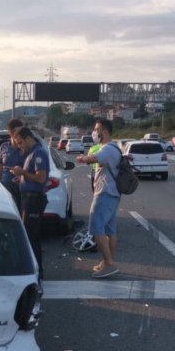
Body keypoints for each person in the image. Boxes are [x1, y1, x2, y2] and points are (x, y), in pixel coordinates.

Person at [75, 119, 122, 278]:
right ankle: (107, 261)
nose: (94, 132)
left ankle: (109, 264)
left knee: (95, 227)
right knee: (110, 230)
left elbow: (93, 158)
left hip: (105, 193)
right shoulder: (113, 147)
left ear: (105, 132)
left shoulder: (108, 149)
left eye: (97, 129)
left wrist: (82, 158)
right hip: (112, 193)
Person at [10, 127, 48, 279]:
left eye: (20, 143)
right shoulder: (30, 154)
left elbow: (40, 178)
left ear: (27, 138)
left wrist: (22, 173)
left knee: (31, 236)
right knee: (29, 234)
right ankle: (35, 270)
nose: (20, 146)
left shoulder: (38, 153)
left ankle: (37, 272)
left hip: (34, 199)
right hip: (28, 198)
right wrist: (21, 178)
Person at [0, 118, 25, 211]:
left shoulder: (26, 146)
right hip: (6, 189)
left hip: (23, 188)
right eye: (17, 131)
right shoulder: (4, 147)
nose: (20, 133)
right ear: (10, 132)